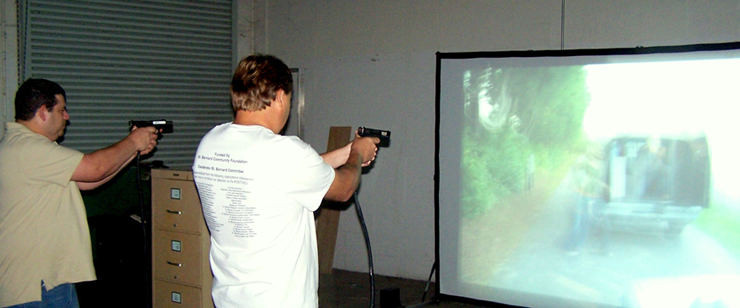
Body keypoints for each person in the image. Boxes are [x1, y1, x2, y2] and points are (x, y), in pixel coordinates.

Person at [192, 54, 380, 308]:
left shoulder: (211, 143)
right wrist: (358, 155)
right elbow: (344, 188)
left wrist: (345, 152)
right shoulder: (284, 151)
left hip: (229, 299)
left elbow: (286, 175)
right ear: (280, 96)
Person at [0, 78, 160, 308]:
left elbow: (88, 181)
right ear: (44, 112)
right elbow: (94, 168)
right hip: (37, 284)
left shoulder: (24, 147)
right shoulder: (28, 148)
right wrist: (133, 141)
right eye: (61, 109)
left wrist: (131, 152)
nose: (67, 117)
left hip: (48, 279)